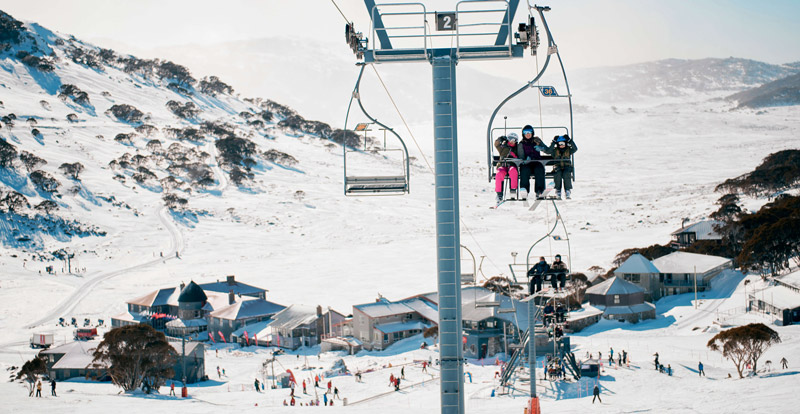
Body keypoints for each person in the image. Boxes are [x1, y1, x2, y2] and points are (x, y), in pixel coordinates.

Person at [540, 134, 577, 199]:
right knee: (558, 174)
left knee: (566, 174)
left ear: (565, 143)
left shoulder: (569, 150)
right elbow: (548, 151)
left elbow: (575, 148)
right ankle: (558, 190)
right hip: (558, 167)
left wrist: (570, 141)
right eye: (559, 144)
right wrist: (553, 142)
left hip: (567, 167)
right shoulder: (554, 151)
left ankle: (567, 190)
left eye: (563, 143)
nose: (561, 145)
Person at [516, 125, 547, 200]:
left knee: (539, 169)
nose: (527, 134)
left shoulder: (537, 141)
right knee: (524, 170)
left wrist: (542, 148)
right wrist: (525, 160)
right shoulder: (521, 144)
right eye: (525, 132)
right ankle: (524, 190)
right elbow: (521, 157)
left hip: (537, 162)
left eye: (529, 132)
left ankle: (539, 191)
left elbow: (547, 150)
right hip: (527, 163)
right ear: (523, 134)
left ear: (532, 133)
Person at [493, 133, 520, 204]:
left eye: (514, 140)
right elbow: (496, 144)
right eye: (510, 139)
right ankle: (499, 194)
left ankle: (513, 190)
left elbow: (520, 156)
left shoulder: (517, 148)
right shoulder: (503, 147)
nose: (512, 141)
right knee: (499, 173)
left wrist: (514, 156)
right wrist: (500, 139)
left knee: (513, 171)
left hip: (512, 165)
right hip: (503, 165)